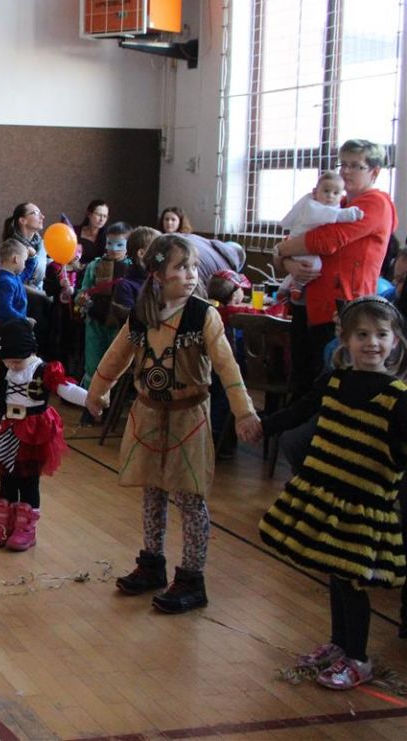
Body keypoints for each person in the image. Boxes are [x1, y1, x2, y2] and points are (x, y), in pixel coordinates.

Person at [85, 234, 262, 614]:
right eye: (181, 267)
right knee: (152, 493)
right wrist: (97, 391)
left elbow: (227, 366)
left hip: (189, 419)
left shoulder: (203, 316)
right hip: (148, 414)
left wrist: (244, 411)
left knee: (190, 498)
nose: (191, 274)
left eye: (193, 266)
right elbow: (117, 356)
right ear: (157, 274)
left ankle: (192, 578)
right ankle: (152, 563)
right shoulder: (142, 315)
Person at [258, 296, 407, 690]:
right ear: (345, 339)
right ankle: (340, 643)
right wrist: (262, 426)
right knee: (336, 574)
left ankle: (358, 658)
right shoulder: (335, 382)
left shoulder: (398, 398)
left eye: (381, 335)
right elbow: (299, 411)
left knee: (352, 581)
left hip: (362, 508)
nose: (372, 343)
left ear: (395, 341)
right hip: (327, 496)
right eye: (362, 335)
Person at [0, 317, 87, 551]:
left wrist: (90, 399)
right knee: (6, 479)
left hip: (33, 434)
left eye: (17, 362)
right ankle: (5, 524)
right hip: (6, 429)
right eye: (8, 361)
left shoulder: (44, 370)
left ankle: (26, 528)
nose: (12, 366)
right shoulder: (4, 368)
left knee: (28, 481)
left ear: (30, 352)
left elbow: (66, 389)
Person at [275, 139, 397, 396]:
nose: (346, 171)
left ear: (374, 172)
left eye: (356, 166)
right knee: (302, 378)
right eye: (343, 164)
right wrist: (287, 261)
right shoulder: (334, 202)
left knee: (329, 384)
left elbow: (326, 240)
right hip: (308, 301)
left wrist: (282, 250)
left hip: (343, 308)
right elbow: (293, 238)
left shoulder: (376, 203)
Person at [277, 171, 364, 301]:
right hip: (298, 243)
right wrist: (352, 214)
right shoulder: (313, 207)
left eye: (335, 193)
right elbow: (334, 217)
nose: (330, 196)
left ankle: (284, 288)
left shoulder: (331, 206)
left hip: (297, 246)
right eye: (326, 191)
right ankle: (297, 286)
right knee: (313, 265)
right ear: (315, 191)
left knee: (301, 267)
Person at [76, 222, 132, 390]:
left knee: (115, 366)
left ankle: (111, 398)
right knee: (93, 365)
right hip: (95, 322)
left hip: (120, 326)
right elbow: (83, 290)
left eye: (119, 244)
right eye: (110, 243)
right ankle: (88, 396)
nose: (113, 249)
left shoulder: (132, 268)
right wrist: (81, 298)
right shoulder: (94, 266)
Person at [76, 200, 110, 267]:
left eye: (105, 216)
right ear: (89, 214)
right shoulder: (74, 230)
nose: (102, 219)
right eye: (99, 215)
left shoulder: (108, 237)